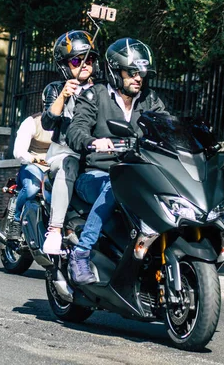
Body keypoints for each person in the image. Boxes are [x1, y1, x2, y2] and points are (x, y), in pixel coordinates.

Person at [66, 38, 168, 284]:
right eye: (131, 72)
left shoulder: (150, 100)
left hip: (138, 175)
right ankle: (81, 253)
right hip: (95, 174)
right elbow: (75, 129)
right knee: (115, 184)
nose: (138, 78)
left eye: (141, 73)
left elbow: (166, 127)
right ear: (115, 70)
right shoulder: (94, 95)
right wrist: (92, 142)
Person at [40, 30, 100, 254]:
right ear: (65, 65)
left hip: (94, 155)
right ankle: (54, 230)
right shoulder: (56, 89)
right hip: (64, 153)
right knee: (69, 163)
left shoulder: (100, 91)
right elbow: (48, 122)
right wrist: (64, 96)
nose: (84, 64)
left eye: (89, 59)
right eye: (77, 60)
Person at [9, 113, 52, 237]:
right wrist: (33, 158)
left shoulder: (67, 121)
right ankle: (16, 220)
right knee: (32, 188)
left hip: (56, 165)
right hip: (33, 165)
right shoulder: (32, 122)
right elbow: (19, 151)